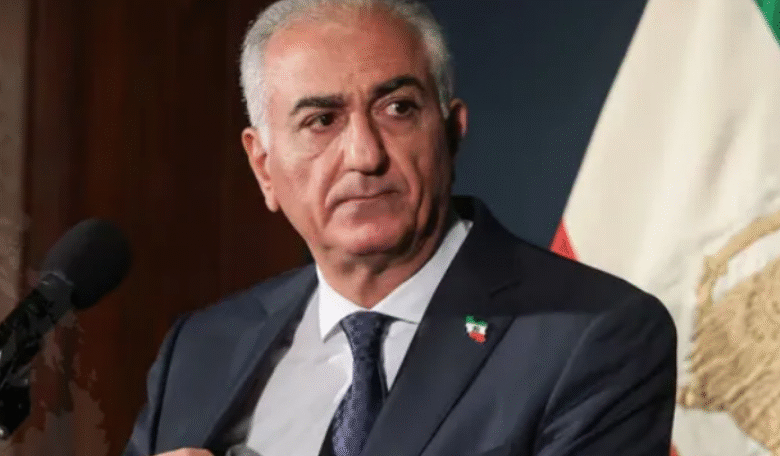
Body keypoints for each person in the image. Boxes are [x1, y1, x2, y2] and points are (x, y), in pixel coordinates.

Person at [123, 0, 677, 455]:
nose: (365, 155)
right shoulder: (202, 349)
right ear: (263, 166)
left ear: (452, 132)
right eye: (321, 120)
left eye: (398, 109)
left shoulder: (592, 335)